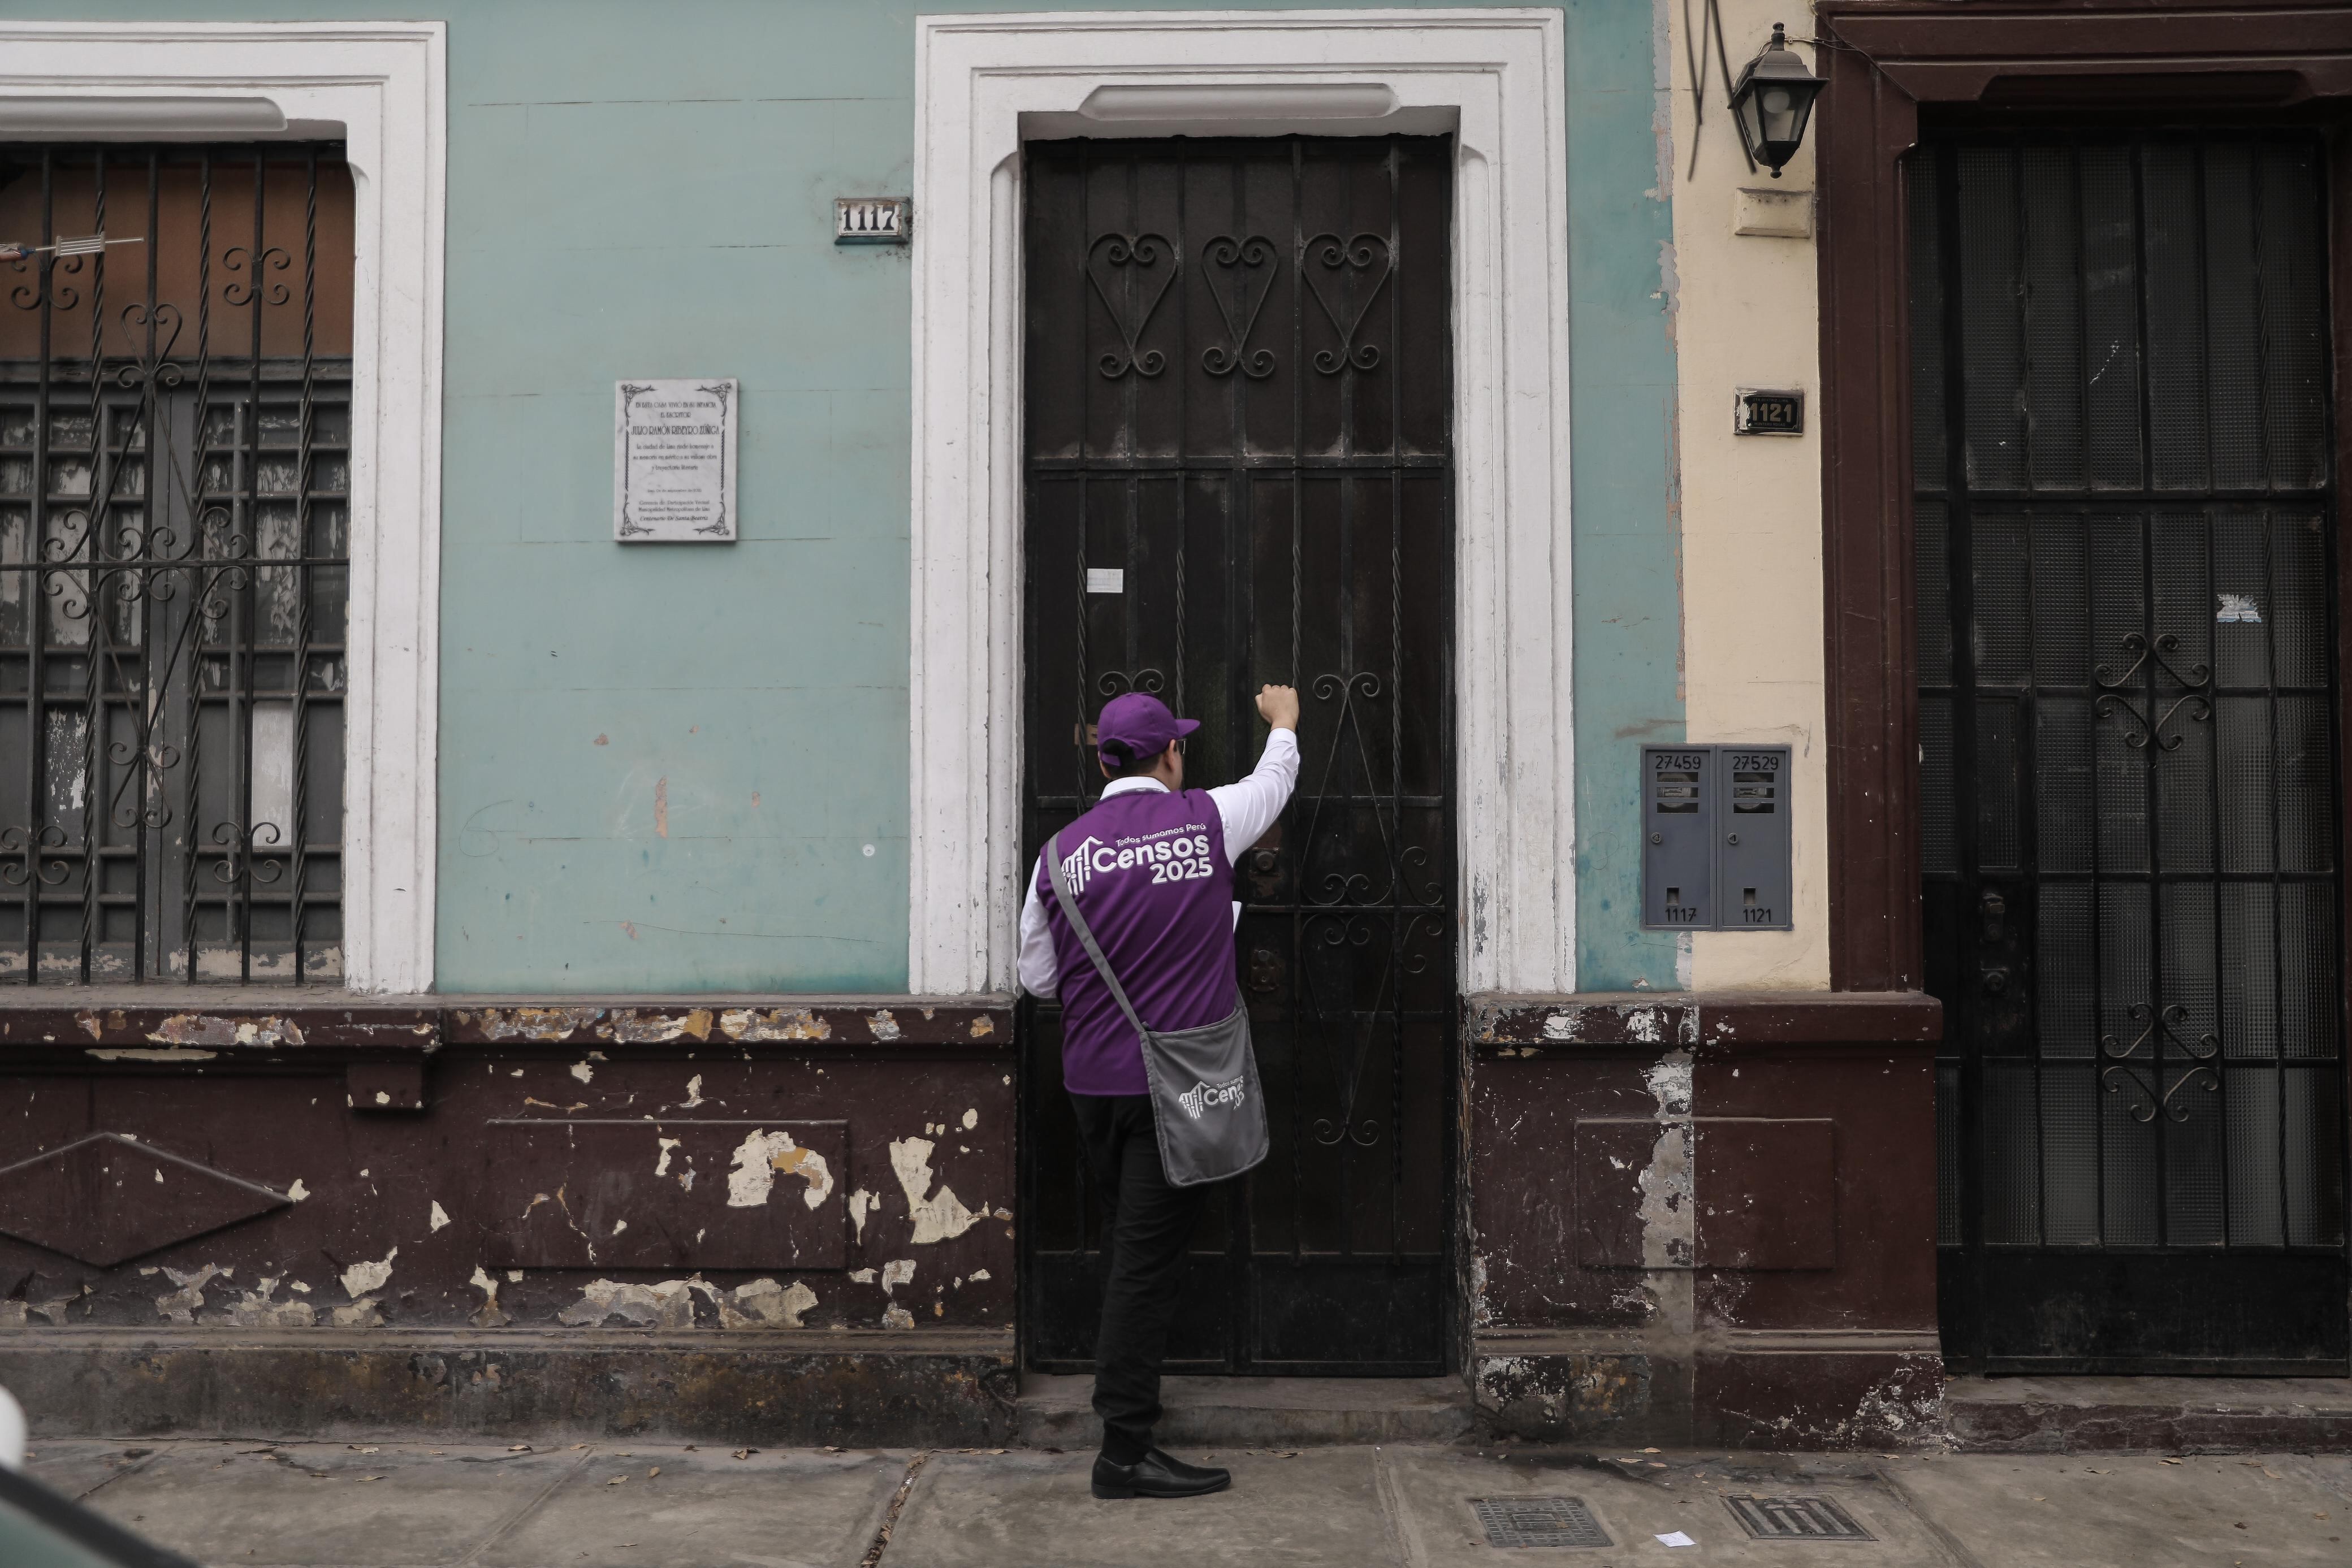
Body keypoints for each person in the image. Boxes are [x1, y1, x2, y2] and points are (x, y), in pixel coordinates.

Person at [1018, 683, 1302, 1501]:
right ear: (1169, 755)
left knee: (1131, 1243)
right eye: (1179, 746)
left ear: (1104, 760)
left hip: (1092, 1083)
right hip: (1179, 1088)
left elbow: (1037, 977)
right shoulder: (1206, 820)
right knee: (1142, 1263)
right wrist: (1282, 722)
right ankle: (1124, 1447)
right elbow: (1273, 783)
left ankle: (1129, 1427)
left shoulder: (1059, 852)